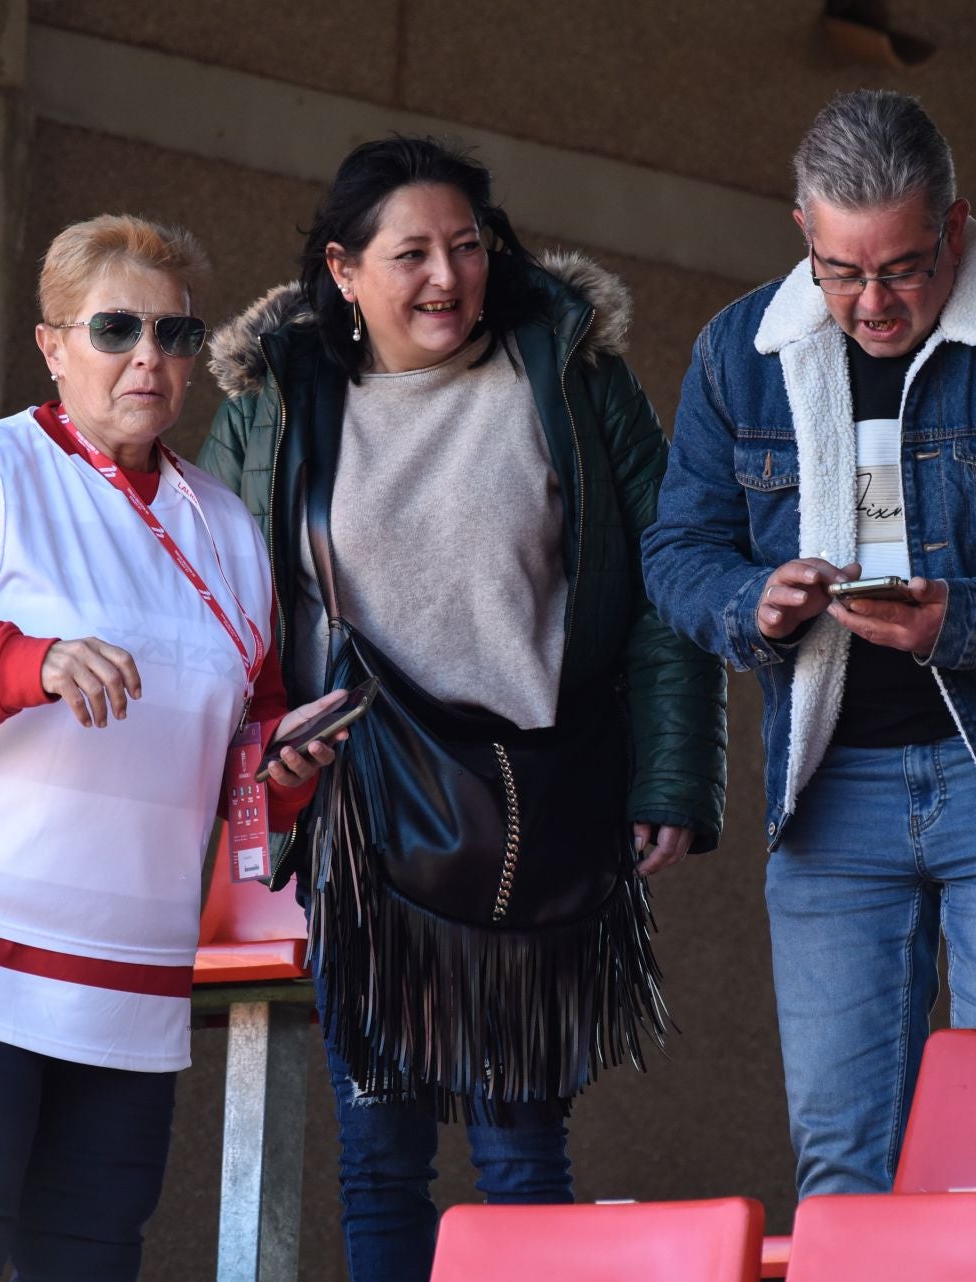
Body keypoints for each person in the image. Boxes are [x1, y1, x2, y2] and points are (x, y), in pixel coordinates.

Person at [199, 136, 727, 1282]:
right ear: (343, 271)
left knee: (523, 1158)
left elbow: (670, 579)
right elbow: (217, 612)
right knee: (380, 1160)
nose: (447, 278)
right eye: (412, 254)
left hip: (540, 808)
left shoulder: (572, 377)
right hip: (362, 822)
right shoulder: (275, 407)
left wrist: (672, 777)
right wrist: (259, 758)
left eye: (468, 246)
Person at [642, 90, 976, 1198]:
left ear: (957, 222)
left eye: (903, 267)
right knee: (843, 1158)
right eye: (843, 271)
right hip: (830, 788)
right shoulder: (739, 354)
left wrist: (965, 619)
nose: (874, 301)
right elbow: (677, 553)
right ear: (803, 227)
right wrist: (758, 600)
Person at [0, 213, 346, 1282]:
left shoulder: (230, 529)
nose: (149, 357)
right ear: (54, 345)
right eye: (116, 329)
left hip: (130, 962)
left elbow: (245, 733)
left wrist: (279, 772)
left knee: (91, 1257)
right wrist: (25, 663)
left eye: (177, 335)